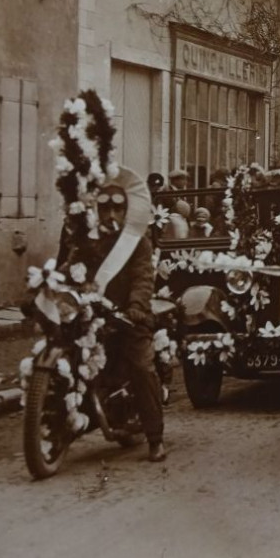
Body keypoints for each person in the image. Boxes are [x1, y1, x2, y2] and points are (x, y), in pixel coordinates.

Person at [64, 176, 169, 462]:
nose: (110, 215)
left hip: (128, 317)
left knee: (141, 365)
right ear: (96, 210)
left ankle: (155, 438)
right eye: (104, 208)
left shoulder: (137, 242)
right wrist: (45, 286)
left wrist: (135, 308)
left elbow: (143, 278)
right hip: (93, 316)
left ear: (126, 211)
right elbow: (71, 268)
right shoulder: (88, 240)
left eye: (117, 209)